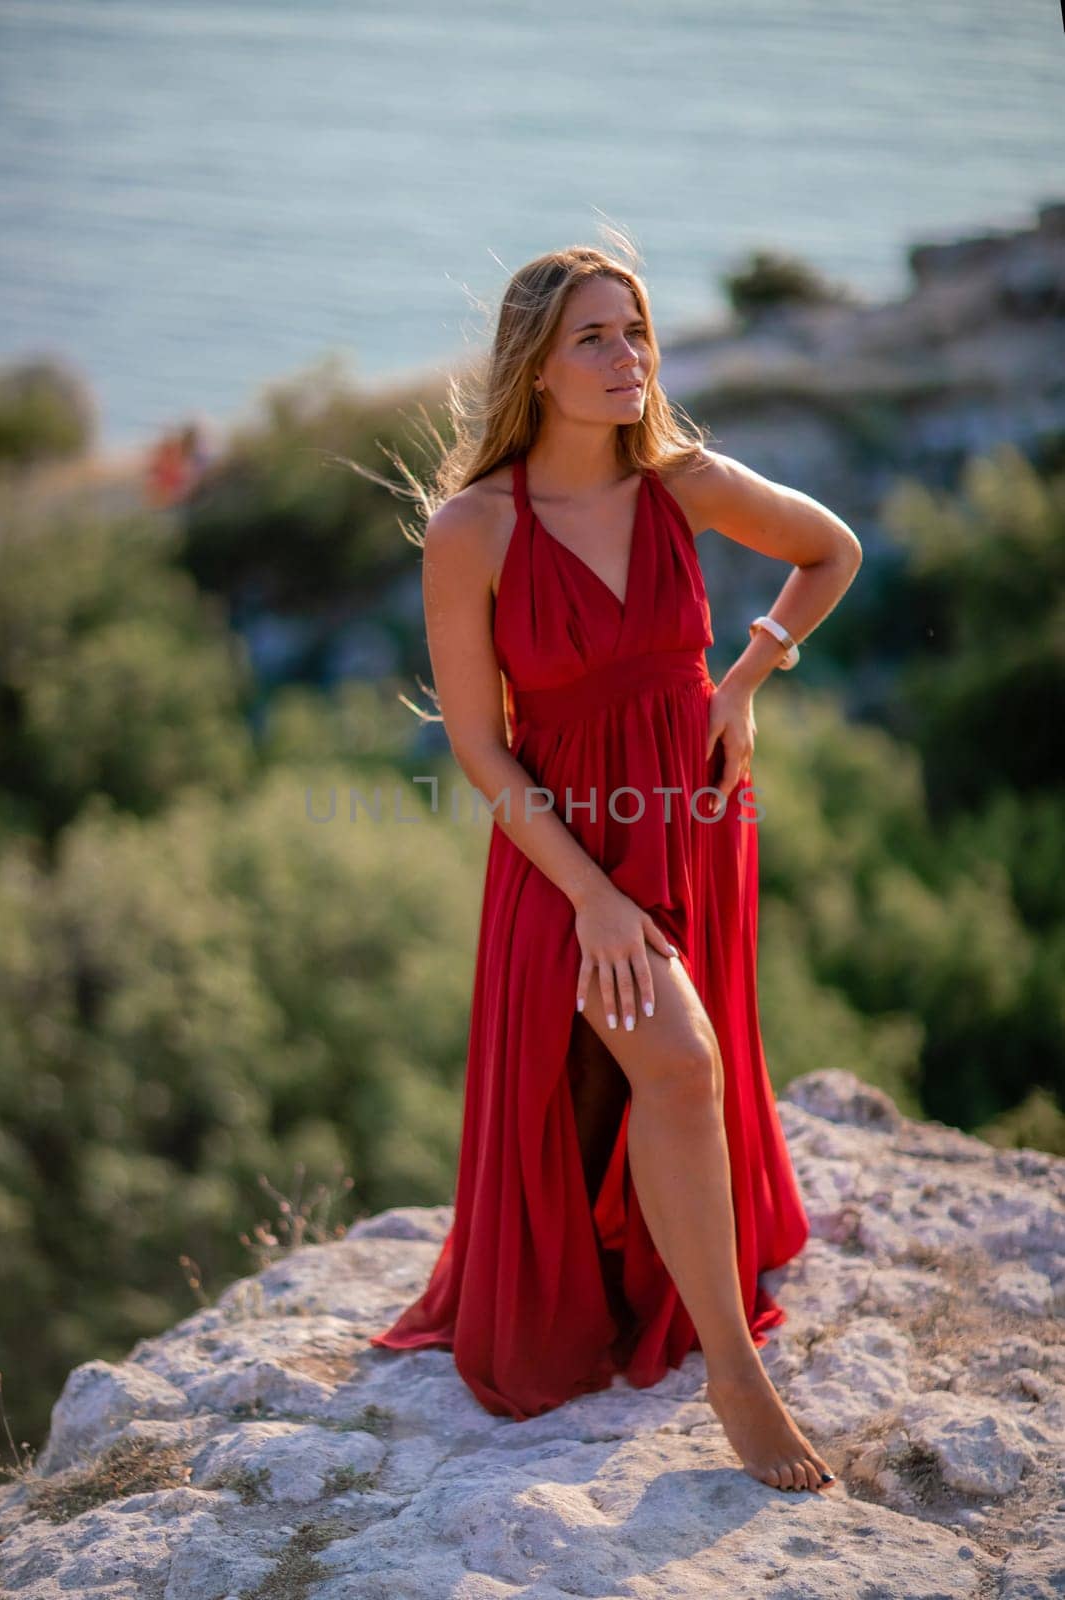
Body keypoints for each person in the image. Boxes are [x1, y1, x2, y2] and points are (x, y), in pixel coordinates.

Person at [367, 238, 862, 1494]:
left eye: (635, 331)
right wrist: (586, 893)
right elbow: (478, 747)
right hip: (561, 857)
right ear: (536, 365)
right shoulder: (472, 530)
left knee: (658, 1074)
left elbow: (829, 551)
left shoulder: (680, 483)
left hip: (691, 823)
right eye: (594, 337)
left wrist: (744, 679)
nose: (626, 357)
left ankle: (676, 1291)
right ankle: (732, 1380)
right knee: (678, 1060)